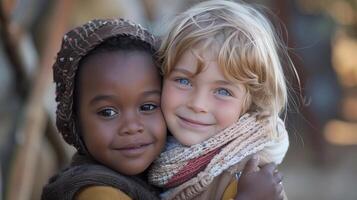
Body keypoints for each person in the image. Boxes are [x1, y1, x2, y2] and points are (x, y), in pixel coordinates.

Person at [41, 17, 284, 200]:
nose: (132, 127)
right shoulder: (96, 191)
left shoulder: (168, 171)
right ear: (74, 119)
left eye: (147, 107)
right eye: (108, 112)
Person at [148, 0, 293, 199]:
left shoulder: (249, 179)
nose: (198, 104)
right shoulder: (152, 153)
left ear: (251, 101)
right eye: (183, 81)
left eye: (223, 92)